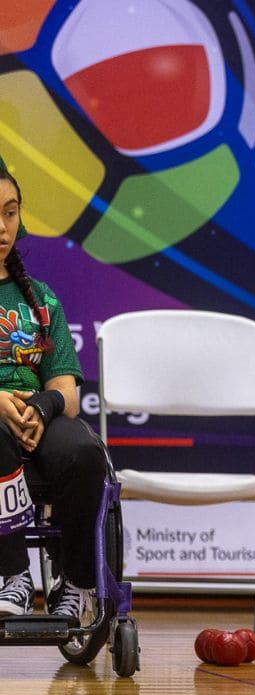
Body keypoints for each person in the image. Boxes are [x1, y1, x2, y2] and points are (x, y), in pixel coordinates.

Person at [0, 165, 108, 625]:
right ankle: (14, 577)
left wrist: (41, 409)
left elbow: (66, 389)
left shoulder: (41, 299)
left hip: (34, 419)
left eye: (9, 213)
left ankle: (77, 582)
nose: (1, 227)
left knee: (84, 451)